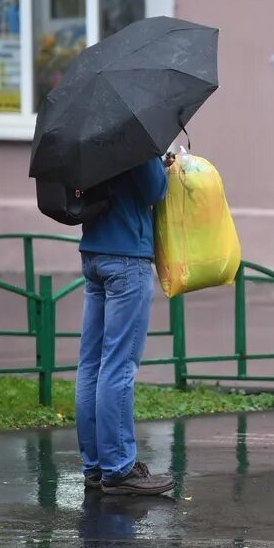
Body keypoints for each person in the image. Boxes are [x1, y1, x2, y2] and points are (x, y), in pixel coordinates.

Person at [76, 156, 176, 496]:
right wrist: (160, 164)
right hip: (126, 258)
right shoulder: (131, 136)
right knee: (118, 364)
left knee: (91, 365)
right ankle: (119, 469)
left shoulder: (88, 133)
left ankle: (95, 467)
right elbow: (154, 190)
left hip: (93, 252)